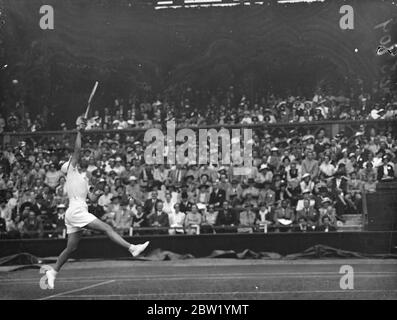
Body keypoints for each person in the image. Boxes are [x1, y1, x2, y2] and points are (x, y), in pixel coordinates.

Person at [45, 120, 149, 290]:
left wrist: (98, 193)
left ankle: (53, 272)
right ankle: (132, 248)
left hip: (75, 211)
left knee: (71, 247)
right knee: (108, 228)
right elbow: (77, 150)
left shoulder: (83, 179)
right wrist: (79, 131)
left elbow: (91, 199)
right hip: (76, 210)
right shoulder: (71, 170)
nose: (79, 159)